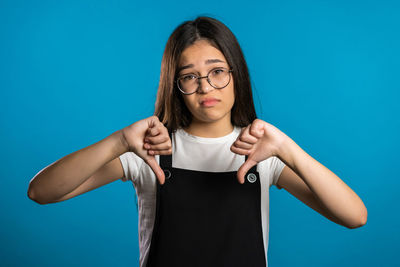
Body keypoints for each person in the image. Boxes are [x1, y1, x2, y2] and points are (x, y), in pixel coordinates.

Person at [27, 16, 367, 267]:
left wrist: (288, 150)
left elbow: (354, 216)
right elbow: (41, 192)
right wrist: (118, 142)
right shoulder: (148, 151)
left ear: (237, 75)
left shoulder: (262, 154)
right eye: (189, 76)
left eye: (217, 71)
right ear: (174, 86)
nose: (205, 87)